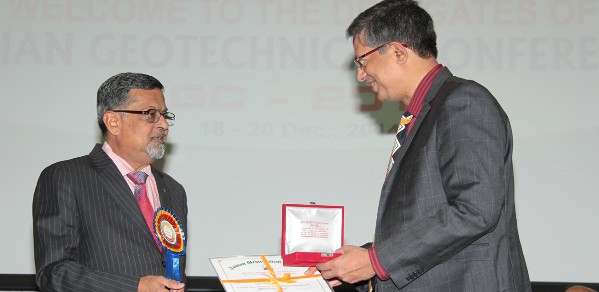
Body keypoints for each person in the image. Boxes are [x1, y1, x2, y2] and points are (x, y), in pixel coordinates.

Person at [308, 0, 531, 291]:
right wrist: (361, 264)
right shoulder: (424, 113)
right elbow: (422, 222)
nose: (361, 75)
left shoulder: (462, 101)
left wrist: (376, 261)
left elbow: (475, 210)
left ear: (398, 51)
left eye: (362, 61)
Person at [33, 72, 187, 292]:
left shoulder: (173, 190)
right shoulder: (66, 177)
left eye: (164, 115)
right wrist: (134, 286)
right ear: (113, 121)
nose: (164, 125)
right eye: (151, 114)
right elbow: (53, 273)